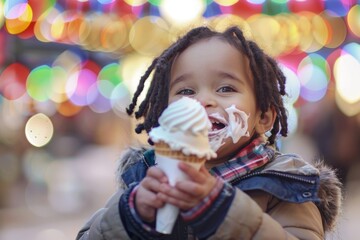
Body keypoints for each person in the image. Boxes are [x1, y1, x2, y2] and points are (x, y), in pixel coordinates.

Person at [76, 26, 342, 239]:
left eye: (225, 88)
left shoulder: (287, 186)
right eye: (186, 91)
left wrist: (223, 210)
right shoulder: (144, 175)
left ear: (263, 117)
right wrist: (131, 215)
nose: (202, 101)